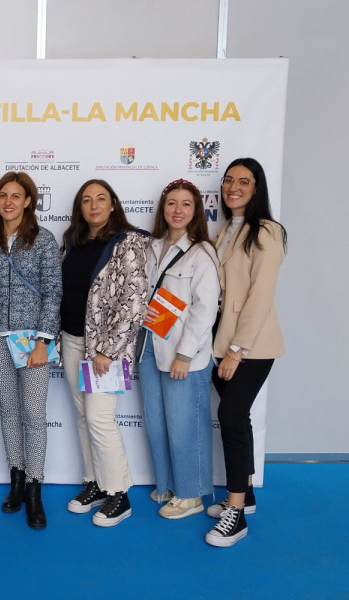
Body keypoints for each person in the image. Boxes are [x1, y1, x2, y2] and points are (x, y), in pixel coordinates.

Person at [205, 158, 286, 547]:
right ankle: (247, 491)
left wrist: (237, 350)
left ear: (257, 188)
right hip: (220, 342)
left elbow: (259, 296)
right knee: (240, 417)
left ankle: (235, 513)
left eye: (244, 181)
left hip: (251, 345)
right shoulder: (224, 231)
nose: (234, 187)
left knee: (231, 416)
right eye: (229, 180)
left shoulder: (268, 231)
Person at [59, 179, 150, 527]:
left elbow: (134, 302)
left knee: (100, 418)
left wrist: (108, 351)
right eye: (86, 200)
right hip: (70, 340)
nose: (93, 205)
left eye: (100, 199)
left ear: (113, 204)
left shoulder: (129, 243)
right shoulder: (72, 241)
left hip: (104, 352)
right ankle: (95, 482)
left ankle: (120, 495)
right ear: (80, 207)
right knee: (84, 416)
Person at [0, 172, 62, 529]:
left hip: (32, 339)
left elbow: (53, 290)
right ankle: (16, 478)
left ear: (29, 201)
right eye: (2, 196)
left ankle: (34, 488)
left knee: (33, 413)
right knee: (8, 411)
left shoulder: (43, 240)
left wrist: (44, 340)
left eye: (16, 196)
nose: (8, 202)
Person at [139, 179, 218, 520]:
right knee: (158, 423)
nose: (178, 210)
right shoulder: (152, 247)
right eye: (172, 203)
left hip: (183, 355)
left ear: (196, 211)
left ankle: (192, 494)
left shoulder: (202, 253)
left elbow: (204, 309)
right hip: (148, 347)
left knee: (185, 425)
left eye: (186, 204)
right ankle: (168, 483)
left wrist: (185, 354)